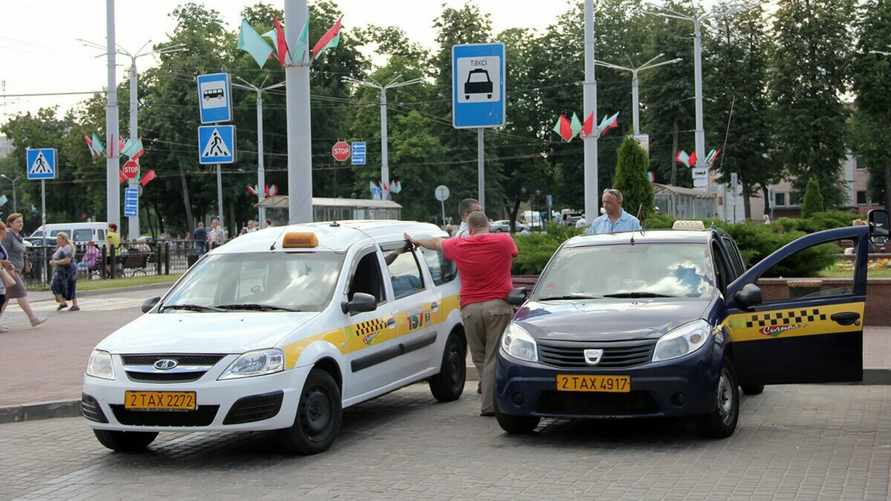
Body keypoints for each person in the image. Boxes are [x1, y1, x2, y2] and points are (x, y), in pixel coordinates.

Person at [406, 211, 518, 417]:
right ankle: (491, 404)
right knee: (494, 356)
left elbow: (436, 243)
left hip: (470, 309)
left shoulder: (458, 245)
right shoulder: (504, 241)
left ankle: (488, 399)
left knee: (480, 357)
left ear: (470, 228)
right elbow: (514, 253)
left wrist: (415, 242)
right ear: (488, 225)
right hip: (498, 307)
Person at [1, 213, 46, 328]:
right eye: (18, 222)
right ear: (10, 223)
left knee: (5, 298)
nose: (21, 224)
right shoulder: (8, 235)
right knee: (21, 292)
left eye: (21, 221)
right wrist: (7, 268)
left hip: (16, 270)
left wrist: (27, 262)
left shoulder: (18, 236)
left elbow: (21, 252)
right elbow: (3, 253)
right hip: (10, 270)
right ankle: (33, 318)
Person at [50, 233, 79, 312]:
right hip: (61, 271)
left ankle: (74, 305)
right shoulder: (61, 248)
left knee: (70, 286)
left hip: (69, 270)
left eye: (59, 239)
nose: (57, 241)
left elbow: (67, 260)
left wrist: (55, 262)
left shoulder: (67, 248)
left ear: (64, 239)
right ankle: (63, 302)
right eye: (57, 239)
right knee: (55, 285)